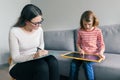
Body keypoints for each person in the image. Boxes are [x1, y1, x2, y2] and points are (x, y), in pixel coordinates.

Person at [9, 4, 59, 80]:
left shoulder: (39, 29)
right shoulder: (14, 32)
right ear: (26, 21)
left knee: (53, 60)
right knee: (42, 66)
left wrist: (40, 52)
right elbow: (15, 58)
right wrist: (33, 56)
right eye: (35, 23)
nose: (39, 26)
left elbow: (41, 45)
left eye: (40, 21)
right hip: (18, 64)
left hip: (36, 59)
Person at [69, 10, 105, 80]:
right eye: (85, 24)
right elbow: (78, 43)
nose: (87, 26)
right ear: (82, 22)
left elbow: (102, 44)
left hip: (93, 54)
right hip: (83, 54)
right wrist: (80, 50)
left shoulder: (98, 31)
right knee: (73, 64)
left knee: (86, 64)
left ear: (93, 22)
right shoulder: (80, 31)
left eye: (89, 24)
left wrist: (101, 52)